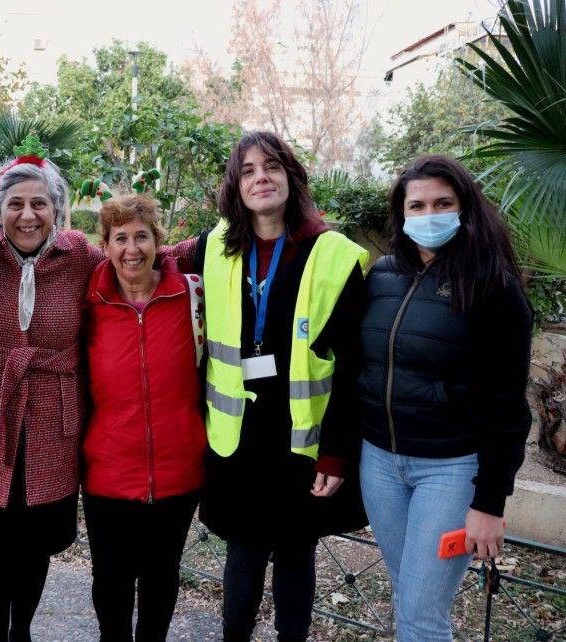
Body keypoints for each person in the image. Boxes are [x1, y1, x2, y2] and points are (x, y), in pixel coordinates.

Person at [168, 130, 367, 641]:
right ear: (235, 186)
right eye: (249, 170)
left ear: (291, 177)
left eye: (272, 167)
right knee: (244, 551)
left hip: (302, 438)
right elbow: (144, 258)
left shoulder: (335, 254)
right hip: (236, 434)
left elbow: (353, 369)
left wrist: (337, 455)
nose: (261, 178)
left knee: (296, 553)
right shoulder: (212, 248)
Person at [357, 155, 532, 642]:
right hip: (380, 464)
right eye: (417, 205)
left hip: (451, 472)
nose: (428, 214)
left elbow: (509, 408)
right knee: (408, 595)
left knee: (419, 614)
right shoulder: (382, 276)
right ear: (402, 213)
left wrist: (489, 503)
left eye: (442, 203)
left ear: (464, 208)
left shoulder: (494, 288)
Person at [0, 137, 104, 641]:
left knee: (35, 542)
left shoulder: (80, 255)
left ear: (56, 209)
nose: (27, 215)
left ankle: (23, 633)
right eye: (15, 204)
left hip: (51, 419)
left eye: (39, 203)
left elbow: (138, 259)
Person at [81, 192, 207, 641]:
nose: (131, 249)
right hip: (108, 472)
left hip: (178, 470)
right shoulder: (89, 301)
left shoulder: (191, 295)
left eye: (141, 236)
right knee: (111, 582)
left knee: (160, 578)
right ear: (106, 245)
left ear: (157, 242)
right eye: (120, 238)